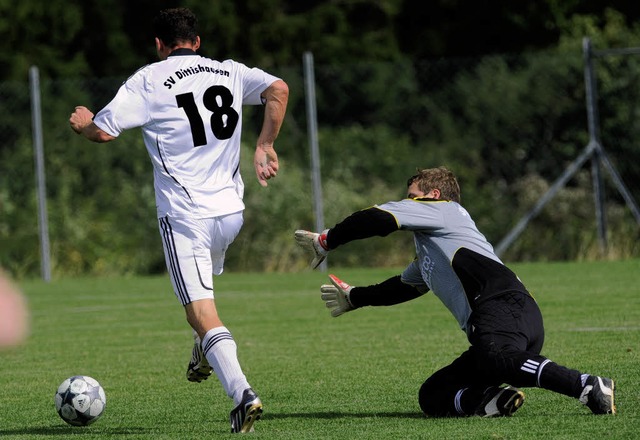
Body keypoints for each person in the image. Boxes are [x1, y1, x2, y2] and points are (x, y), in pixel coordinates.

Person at [69, 7, 289, 433]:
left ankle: (243, 393)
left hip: (186, 216)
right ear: (198, 42)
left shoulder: (149, 80)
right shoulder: (228, 71)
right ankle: (203, 350)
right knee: (204, 301)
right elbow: (278, 89)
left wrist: (82, 123)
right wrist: (265, 144)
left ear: (158, 45)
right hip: (231, 213)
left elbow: (104, 131)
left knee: (202, 312)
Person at [294, 166, 616, 418]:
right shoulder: (432, 251)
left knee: (498, 357)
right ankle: (490, 402)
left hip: (502, 309)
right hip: (506, 320)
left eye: (412, 196)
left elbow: (377, 219)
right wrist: (355, 297)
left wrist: (327, 240)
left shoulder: (444, 210)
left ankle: (586, 385)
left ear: (434, 194)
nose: (407, 202)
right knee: (434, 394)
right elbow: (401, 287)